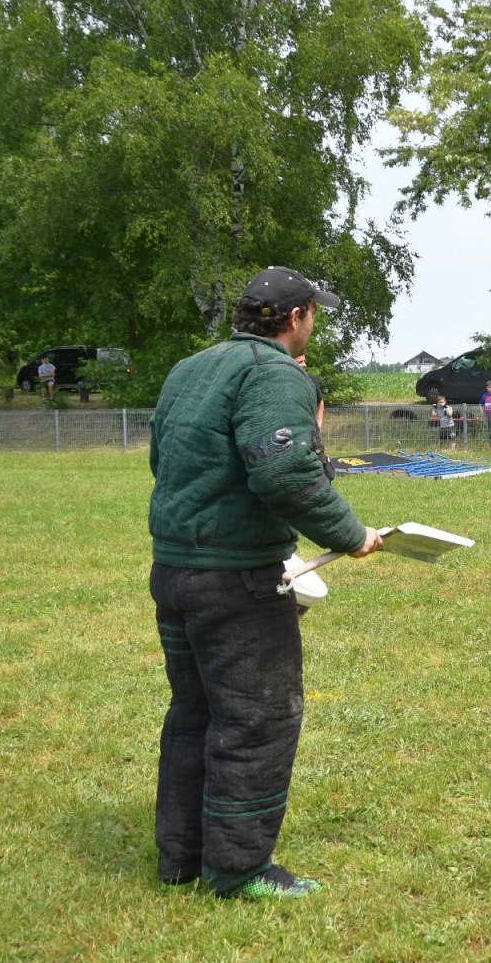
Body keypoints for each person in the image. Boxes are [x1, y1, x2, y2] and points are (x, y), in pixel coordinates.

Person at [147, 266, 382, 900]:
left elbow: (163, 462)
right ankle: (238, 869)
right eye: (315, 314)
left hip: (173, 570)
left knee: (194, 713)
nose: (316, 323)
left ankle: (182, 859)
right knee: (256, 720)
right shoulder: (276, 374)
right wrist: (351, 534)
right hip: (236, 580)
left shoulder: (189, 370)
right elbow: (285, 476)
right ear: (296, 316)